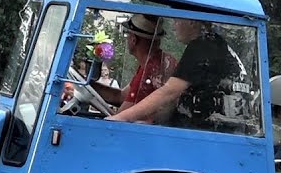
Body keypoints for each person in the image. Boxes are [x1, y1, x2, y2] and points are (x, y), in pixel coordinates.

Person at [108, 17, 246, 128]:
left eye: (177, 20)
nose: (174, 26)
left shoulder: (201, 46)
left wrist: (121, 117)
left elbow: (170, 92)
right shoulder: (214, 43)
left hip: (205, 132)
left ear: (192, 21)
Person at [90, 13, 176, 118]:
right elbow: (121, 97)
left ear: (133, 39)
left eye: (128, 34)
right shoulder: (154, 62)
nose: (127, 39)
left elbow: (120, 117)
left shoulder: (151, 69)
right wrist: (88, 85)